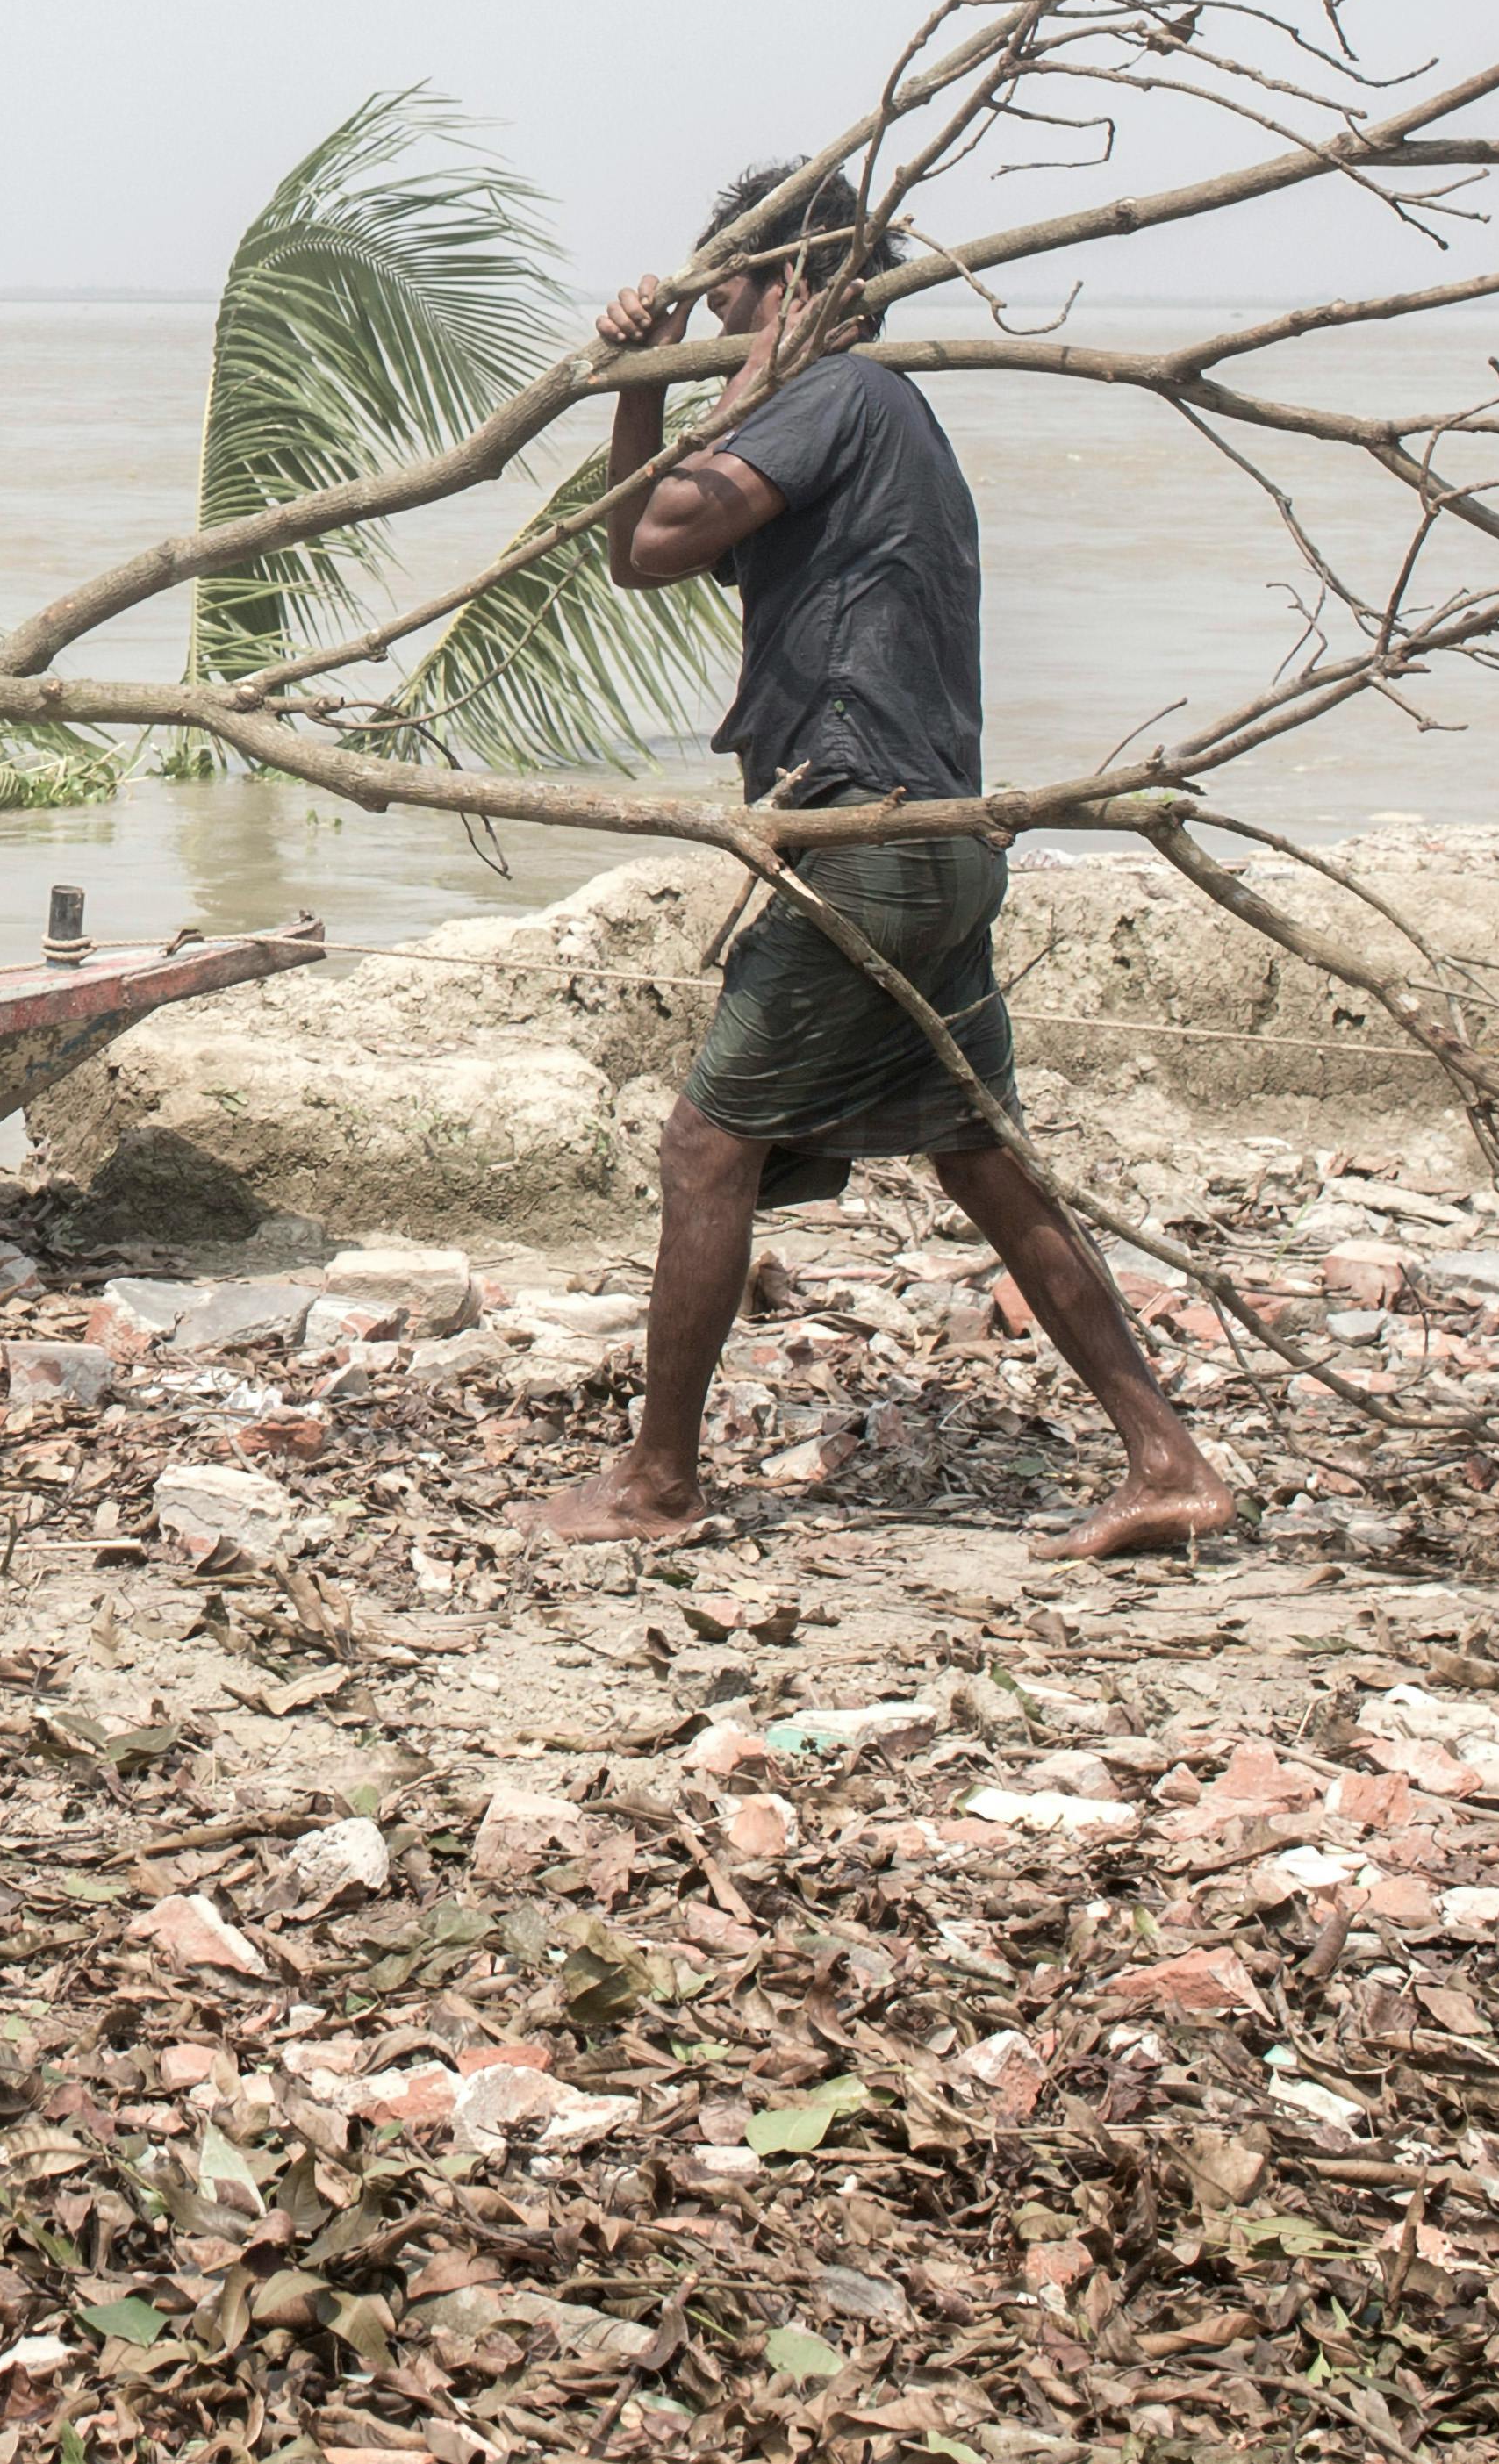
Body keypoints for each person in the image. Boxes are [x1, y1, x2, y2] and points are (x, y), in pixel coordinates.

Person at [525, 158, 1235, 1565]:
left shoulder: (842, 398)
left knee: (707, 1147)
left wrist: (655, 375)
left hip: (866, 836)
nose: (724, 318)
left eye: (732, 292)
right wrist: (660, 377)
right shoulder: (850, 419)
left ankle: (660, 1483)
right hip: (933, 840)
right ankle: (1171, 1463)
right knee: (983, 1158)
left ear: (793, 287)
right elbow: (643, 553)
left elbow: (656, 535)